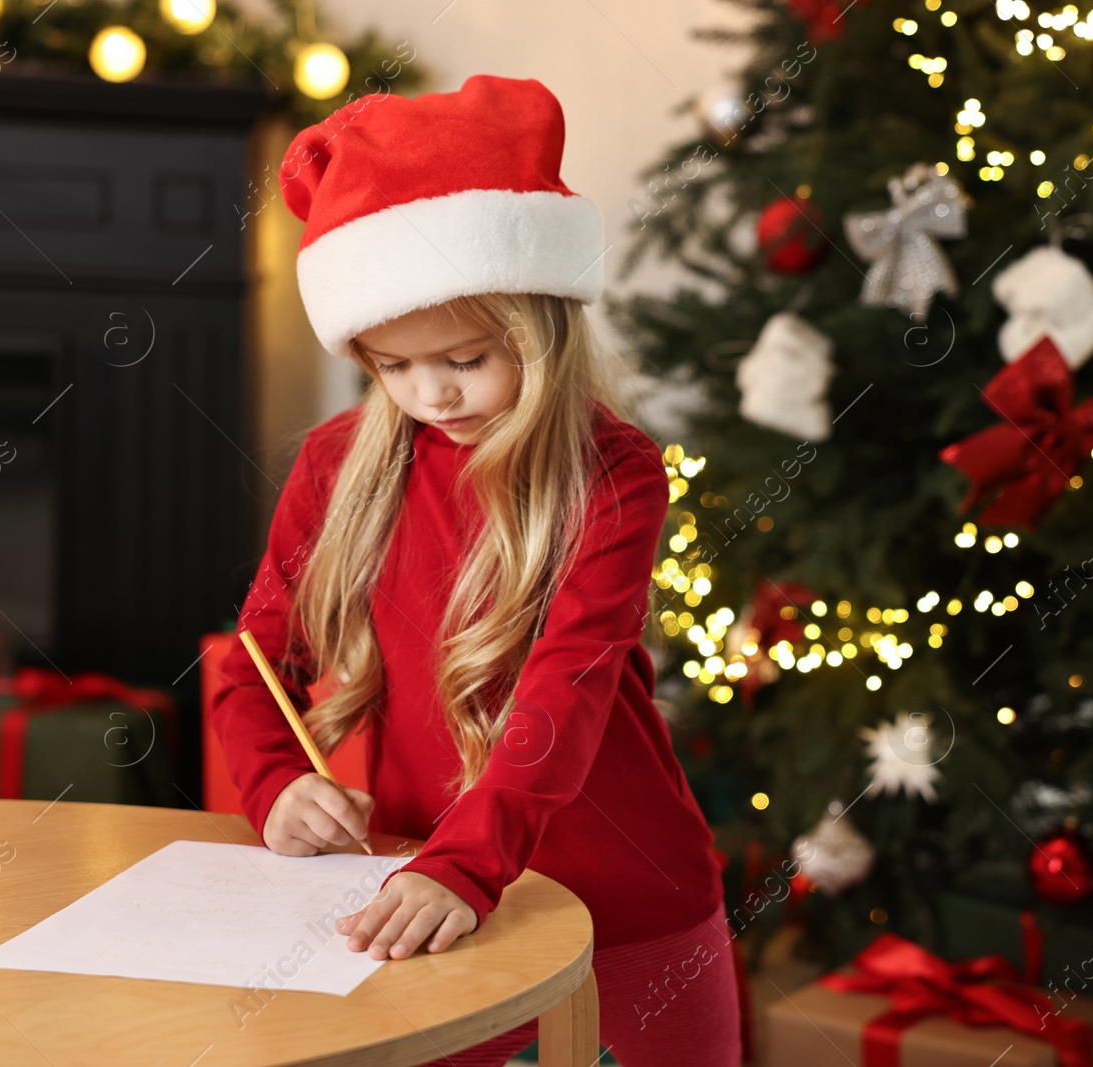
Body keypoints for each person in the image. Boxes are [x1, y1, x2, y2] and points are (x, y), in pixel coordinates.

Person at [208, 74, 741, 1067]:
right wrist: (274, 779)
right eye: (392, 366)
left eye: (464, 355)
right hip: (426, 901)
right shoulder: (337, 463)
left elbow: (565, 688)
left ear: (538, 323)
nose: (430, 393)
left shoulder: (612, 470)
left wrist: (467, 865)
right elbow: (251, 659)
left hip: (622, 905)